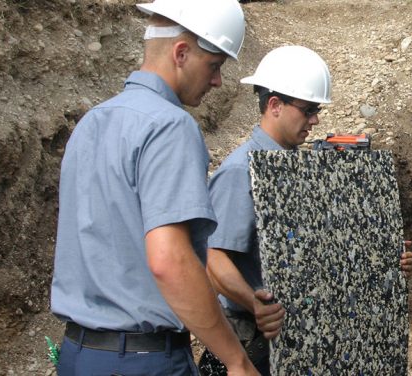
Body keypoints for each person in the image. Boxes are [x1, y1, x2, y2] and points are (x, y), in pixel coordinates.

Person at [49, 0, 259, 375]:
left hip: (78, 355)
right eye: (214, 66)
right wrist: (235, 359)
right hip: (143, 360)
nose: (217, 81)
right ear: (181, 53)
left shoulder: (91, 123)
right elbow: (169, 261)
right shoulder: (169, 126)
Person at [204, 45, 412, 375]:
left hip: (303, 338)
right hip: (254, 342)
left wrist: (386, 259)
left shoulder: (301, 169)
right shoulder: (240, 172)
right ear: (275, 105)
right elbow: (213, 257)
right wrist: (255, 303)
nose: (315, 119)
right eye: (308, 109)